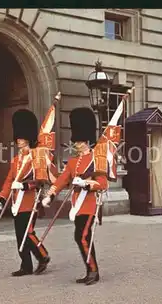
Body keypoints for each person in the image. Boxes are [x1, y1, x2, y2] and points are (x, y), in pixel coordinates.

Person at [42, 107, 108, 286]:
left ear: (87, 141)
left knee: (83, 236)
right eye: (76, 142)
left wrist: (86, 183)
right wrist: (50, 195)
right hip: (77, 206)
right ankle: (90, 270)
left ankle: (93, 271)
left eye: (79, 142)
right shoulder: (72, 162)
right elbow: (62, 180)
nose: (76, 145)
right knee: (81, 237)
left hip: (90, 204)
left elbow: (103, 183)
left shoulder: (97, 159)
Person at [0, 109, 51, 277]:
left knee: (28, 232)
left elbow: (40, 180)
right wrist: (2, 198)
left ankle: (43, 255)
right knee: (20, 235)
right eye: (17, 138)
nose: (18, 141)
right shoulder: (16, 160)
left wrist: (26, 187)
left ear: (27, 138)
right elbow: (9, 181)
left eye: (21, 138)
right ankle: (26, 265)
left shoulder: (35, 157)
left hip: (29, 201)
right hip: (16, 203)